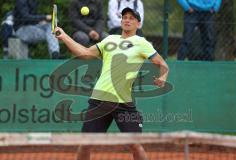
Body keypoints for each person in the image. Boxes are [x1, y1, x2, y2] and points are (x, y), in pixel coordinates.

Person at [55, 7, 169, 160]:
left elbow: (162, 64)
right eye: (124, 17)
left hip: (124, 103)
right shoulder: (109, 39)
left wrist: (163, 76)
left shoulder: (142, 43)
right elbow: (85, 54)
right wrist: (64, 36)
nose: (127, 20)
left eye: (131, 18)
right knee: (85, 143)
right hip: (99, 100)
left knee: (135, 144)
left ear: (138, 24)